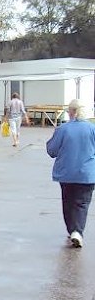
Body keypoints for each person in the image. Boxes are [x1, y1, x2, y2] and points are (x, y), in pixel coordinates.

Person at [46, 99, 95, 248]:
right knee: (82, 204)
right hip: (87, 173)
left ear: (72, 112)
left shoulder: (63, 129)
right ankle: (77, 231)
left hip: (66, 173)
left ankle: (72, 230)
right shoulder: (92, 129)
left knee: (68, 203)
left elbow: (51, 150)